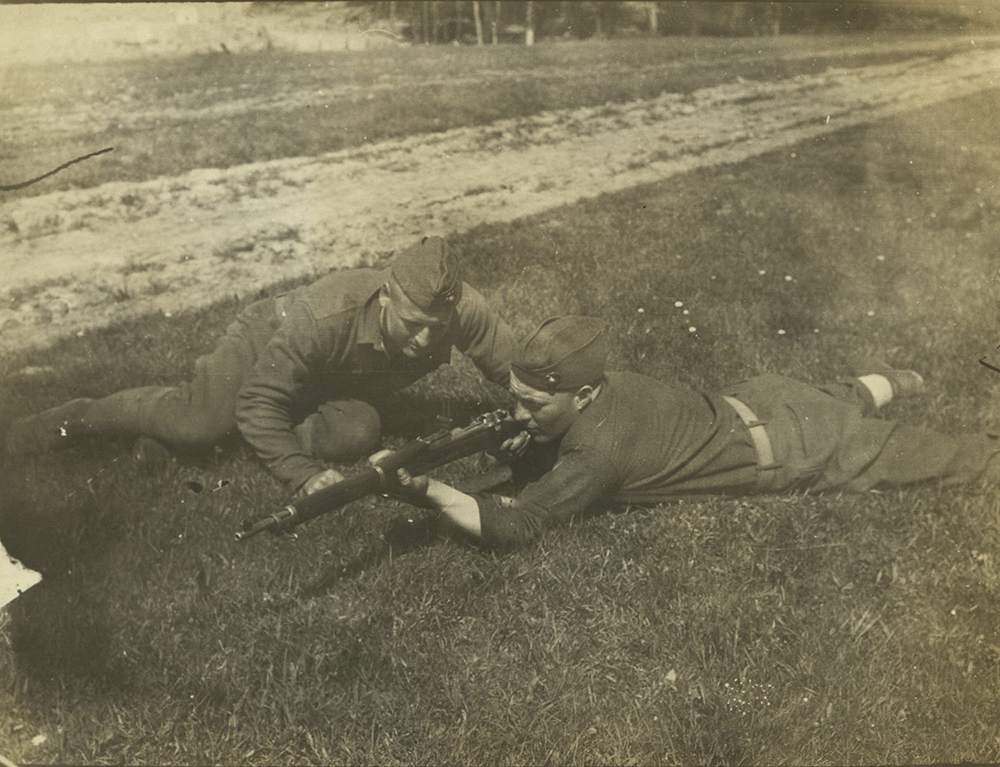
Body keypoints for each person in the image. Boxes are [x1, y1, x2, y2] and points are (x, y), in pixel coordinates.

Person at [390, 315, 1000, 550]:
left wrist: (434, 493)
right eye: (515, 400)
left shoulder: (596, 454)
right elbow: (547, 441)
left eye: (531, 404)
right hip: (767, 396)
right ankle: (891, 379)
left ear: (581, 395)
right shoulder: (609, 382)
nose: (519, 414)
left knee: (955, 459)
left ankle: (897, 396)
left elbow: (520, 524)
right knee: (839, 395)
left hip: (792, 448)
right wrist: (531, 439)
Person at [3, 237, 516, 495]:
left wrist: (550, 413)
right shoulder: (325, 314)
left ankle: (203, 448)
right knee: (197, 421)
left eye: (437, 326)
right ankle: (66, 419)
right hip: (267, 340)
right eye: (413, 324)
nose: (426, 338)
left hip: (326, 376)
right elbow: (258, 397)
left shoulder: (458, 311)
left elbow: (519, 369)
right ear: (385, 297)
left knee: (359, 429)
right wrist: (301, 474)